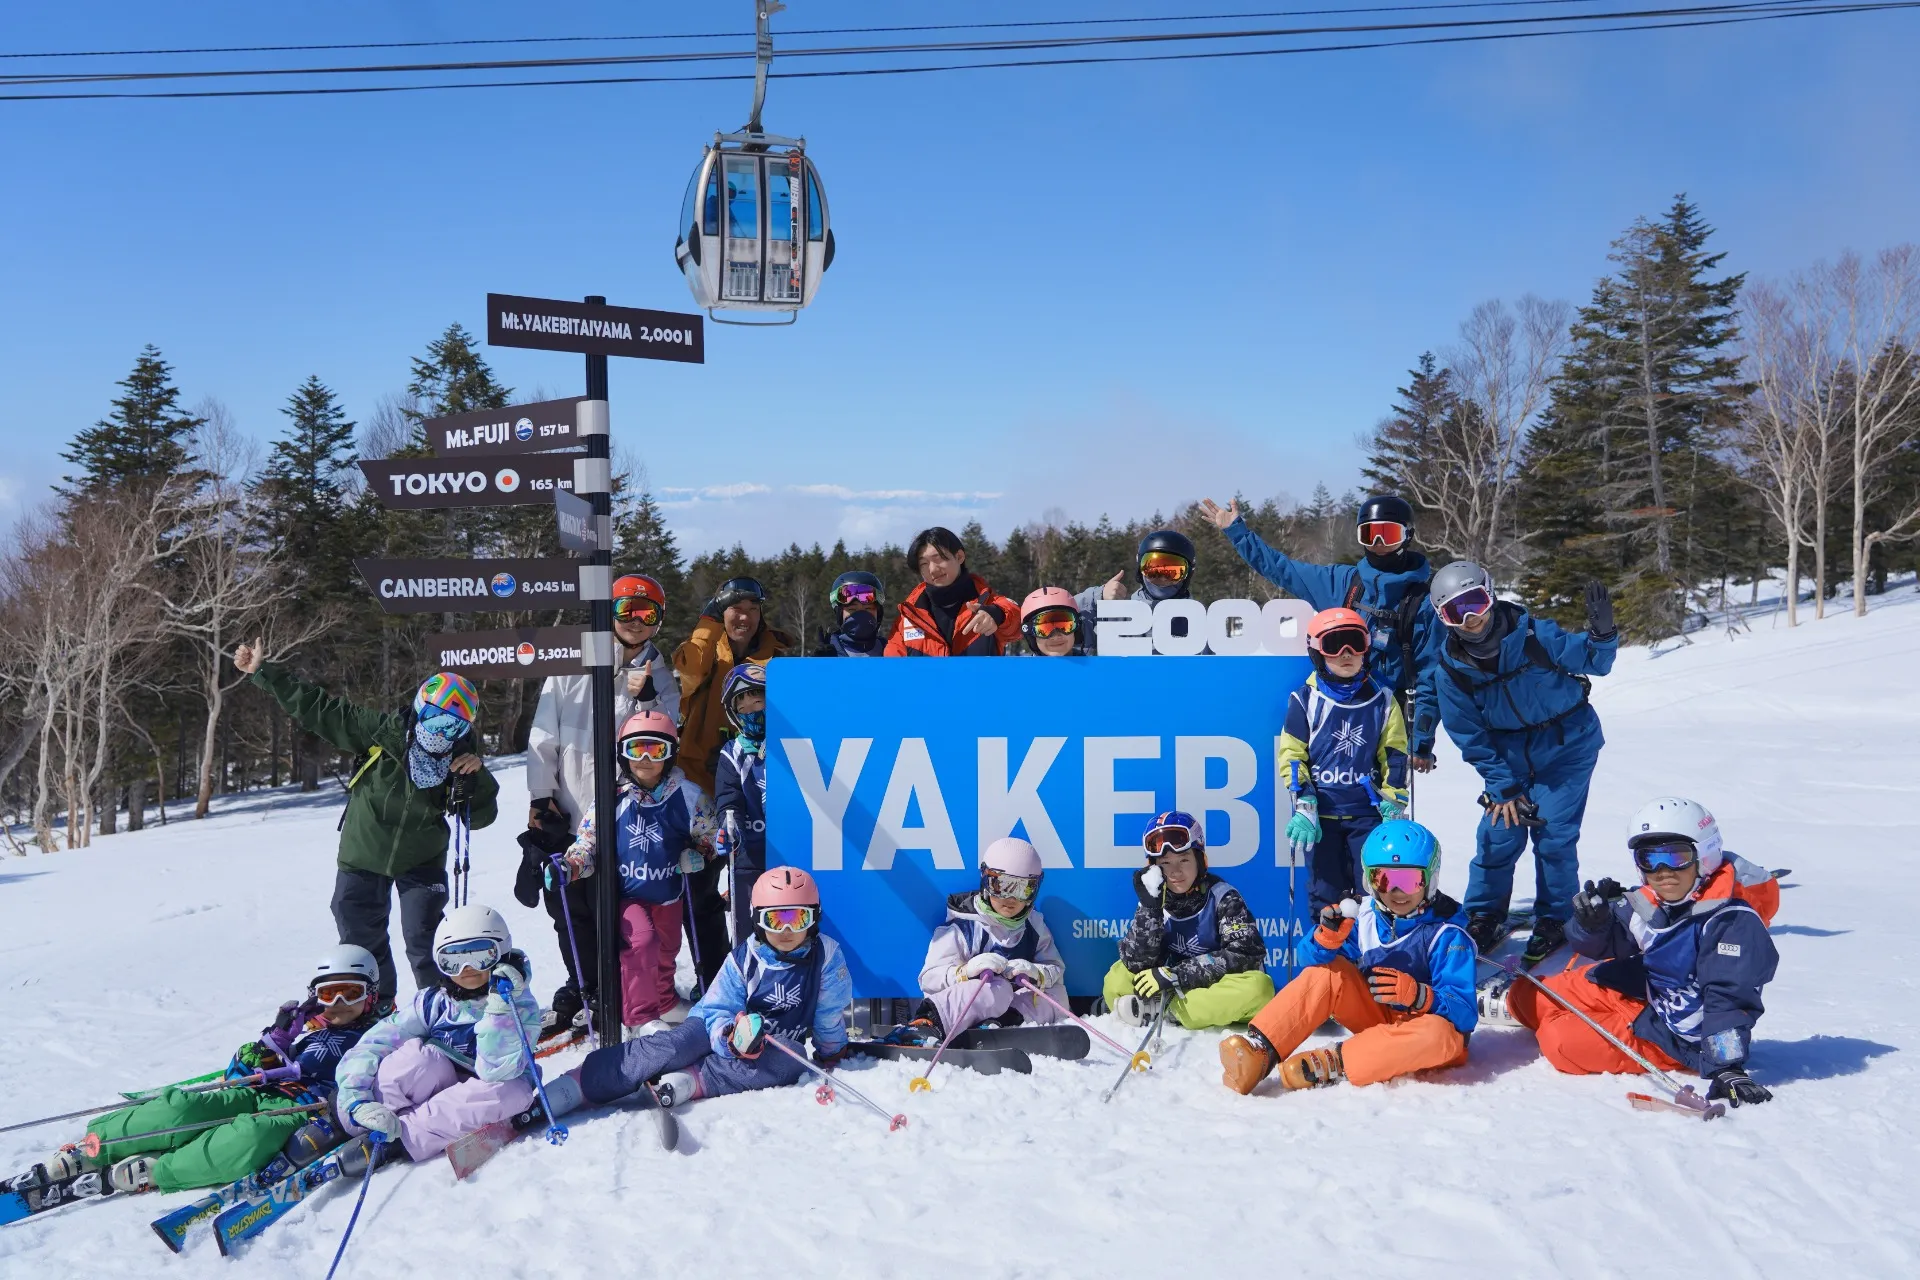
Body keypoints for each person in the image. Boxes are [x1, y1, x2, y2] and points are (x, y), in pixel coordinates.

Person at [236, 641, 499, 1005]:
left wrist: (475, 780)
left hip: (422, 858)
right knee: (359, 934)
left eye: (453, 726)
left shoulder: (461, 759)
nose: (441, 732)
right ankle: (377, 1006)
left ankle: (443, 1007)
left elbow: (482, 818)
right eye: (435, 718)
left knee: (424, 935)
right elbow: (319, 709)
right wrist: (264, 672)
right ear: (420, 708)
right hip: (364, 850)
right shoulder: (380, 732)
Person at [14, 947, 382, 1197]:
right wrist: (277, 1039)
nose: (337, 1004)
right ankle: (93, 1148)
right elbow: (236, 1072)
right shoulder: (305, 1032)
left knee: (253, 1135)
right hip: (260, 1090)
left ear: (371, 995)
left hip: (306, 1109)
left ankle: (161, 1169)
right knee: (181, 1108)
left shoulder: (382, 1036)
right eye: (328, 994)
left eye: (349, 993)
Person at [1501, 798, 1779, 1106]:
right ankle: (1516, 1008)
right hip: (1649, 994)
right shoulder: (1653, 900)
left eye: (1676, 857)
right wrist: (1593, 924)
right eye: (1649, 859)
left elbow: (1730, 999)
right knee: (1527, 994)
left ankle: (1562, 1019)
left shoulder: (1731, 923)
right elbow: (1606, 944)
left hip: (1677, 1039)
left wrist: (1727, 1066)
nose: (1662, 871)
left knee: (1560, 1041)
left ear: (1705, 855)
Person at [542, 868, 854, 1112]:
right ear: (758, 920)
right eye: (775, 919)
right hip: (715, 1027)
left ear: (814, 919)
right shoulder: (745, 959)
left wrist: (832, 1052)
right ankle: (578, 1084)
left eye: (798, 919)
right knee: (675, 1046)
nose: (786, 931)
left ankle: (695, 1079)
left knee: (794, 1058)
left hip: (770, 1046)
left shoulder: (826, 957)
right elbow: (719, 1007)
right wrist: (731, 1039)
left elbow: (829, 1011)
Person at [1430, 560, 1617, 965]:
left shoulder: (1533, 636)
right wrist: (1503, 785)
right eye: (1455, 612)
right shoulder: (1452, 670)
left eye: (1475, 603)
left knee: (1552, 833)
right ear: (1443, 619)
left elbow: (1596, 662)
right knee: (1498, 834)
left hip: (1567, 747)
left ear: (1490, 594)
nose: (1471, 618)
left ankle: (1555, 917)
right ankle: (1484, 915)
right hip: (1508, 759)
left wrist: (1602, 636)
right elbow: (1468, 734)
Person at [524, 572, 680, 1038]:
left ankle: (616, 989)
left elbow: (666, 738)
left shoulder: (661, 676)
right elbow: (543, 733)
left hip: (628, 823)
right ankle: (583, 983)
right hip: (570, 810)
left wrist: (648, 700)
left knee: (617, 912)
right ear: (608, 613)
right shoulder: (572, 665)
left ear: (658, 620)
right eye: (626, 611)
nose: (635, 621)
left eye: (647, 613)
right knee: (568, 909)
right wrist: (541, 794)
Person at [1219, 820, 1476, 1094]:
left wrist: (1420, 996)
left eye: (1409, 881)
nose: (1396, 892)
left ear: (1430, 880)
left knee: (1439, 1035)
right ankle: (1260, 1051)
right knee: (1327, 972)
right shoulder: (1364, 916)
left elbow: (1465, 1015)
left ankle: (1331, 1063)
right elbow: (1307, 961)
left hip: (1424, 1034)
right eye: (1383, 880)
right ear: (1368, 880)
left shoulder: (1447, 933)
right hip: (1379, 1017)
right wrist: (1325, 940)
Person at [1201, 494, 1441, 772]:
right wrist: (1238, 532)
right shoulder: (1342, 583)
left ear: (1407, 536)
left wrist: (1421, 742)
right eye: (1369, 534)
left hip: (1390, 718)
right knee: (1334, 788)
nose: (1378, 543)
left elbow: (1430, 677)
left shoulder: (1423, 602)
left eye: (1388, 534)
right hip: (1337, 709)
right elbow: (1281, 569)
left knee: (1385, 793)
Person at [332, 905, 543, 1163]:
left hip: (479, 1093)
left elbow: (495, 1071)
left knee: (512, 1092)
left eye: (480, 955)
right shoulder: (434, 1002)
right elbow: (375, 1042)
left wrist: (500, 1009)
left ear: (502, 952)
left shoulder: (520, 1007)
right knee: (421, 1060)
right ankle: (361, 1116)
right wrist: (355, 1099)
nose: (466, 968)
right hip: (431, 1086)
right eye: (452, 960)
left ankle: (402, 1138)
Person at [561, 711, 716, 1028]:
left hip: (668, 893)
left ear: (670, 754)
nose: (645, 759)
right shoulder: (612, 798)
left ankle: (664, 1002)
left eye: (655, 750)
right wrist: (572, 866)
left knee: (666, 950)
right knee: (640, 945)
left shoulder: (688, 796)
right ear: (623, 754)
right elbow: (588, 840)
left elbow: (711, 834)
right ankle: (640, 1017)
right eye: (636, 749)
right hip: (627, 894)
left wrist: (700, 854)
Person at [1279, 607, 1411, 912]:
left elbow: (1394, 753)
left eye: (1355, 643)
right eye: (1334, 645)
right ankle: (1329, 943)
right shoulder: (1306, 700)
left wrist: (1394, 798)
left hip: (1368, 815)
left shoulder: (1382, 699)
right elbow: (1292, 755)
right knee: (1325, 895)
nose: (1346, 653)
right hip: (1322, 817)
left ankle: (1372, 941)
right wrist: (1304, 802)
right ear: (1317, 652)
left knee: (1374, 890)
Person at [1101, 811, 1274, 1029]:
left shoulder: (1223, 897)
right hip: (1174, 986)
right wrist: (1150, 909)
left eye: (1184, 860)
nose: (1175, 871)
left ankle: (1167, 1010)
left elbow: (1245, 955)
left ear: (1200, 860)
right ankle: (1170, 1008)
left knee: (1260, 989)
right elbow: (1136, 963)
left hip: (1211, 987)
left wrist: (1178, 974)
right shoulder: (1155, 898)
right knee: (1117, 979)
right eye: (1165, 863)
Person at [899, 837, 1070, 1040]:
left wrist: (1037, 973)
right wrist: (964, 973)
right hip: (957, 1010)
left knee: (1057, 994)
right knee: (999, 989)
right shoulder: (963, 926)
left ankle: (1001, 1025)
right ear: (986, 881)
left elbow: (1055, 969)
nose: (1011, 898)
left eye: (1023, 889)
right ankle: (927, 1023)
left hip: (1008, 1007)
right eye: (1002, 886)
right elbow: (929, 979)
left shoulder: (1034, 924)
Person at [886, 526, 1021, 657]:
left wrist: (998, 615)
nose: (932, 569)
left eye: (938, 558)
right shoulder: (909, 618)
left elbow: (1018, 623)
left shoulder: (988, 604)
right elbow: (892, 667)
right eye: (924, 564)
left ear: (959, 556)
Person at [712, 663, 768, 945]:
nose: (751, 712)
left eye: (757, 703)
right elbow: (728, 798)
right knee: (749, 930)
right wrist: (729, 827)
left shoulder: (794, 744)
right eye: (743, 708)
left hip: (793, 851)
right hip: (750, 855)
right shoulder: (733, 753)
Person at [1074, 529, 1201, 653]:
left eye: (1173, 573)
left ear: (1188, 574)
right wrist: (1099, 597)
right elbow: (1065, 611)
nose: (1163, 578)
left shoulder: (1201, 623)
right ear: (1140, 569)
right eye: (1154, 571)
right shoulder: (1118, 617)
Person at [812, 570, 887, 657]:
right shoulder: (829, 651)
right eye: (852, 609)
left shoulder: (891, 651)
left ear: (878, 613)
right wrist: (818, 663)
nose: (861, 617)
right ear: (840, 614)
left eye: (868, 608)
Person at [1018, 586, 1089, 657]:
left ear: (1077, 630)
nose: (1055, 636)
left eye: (1064, 626)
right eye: (1044, 629)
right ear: (1032, 637)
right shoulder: (1021, 664)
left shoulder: (1093, 664)